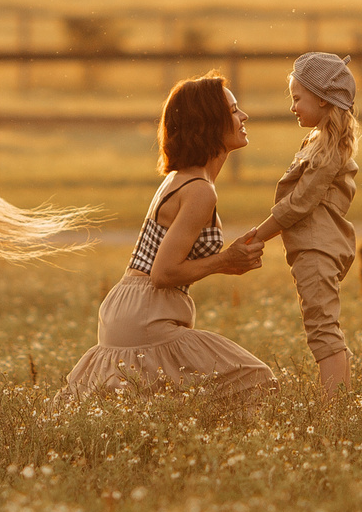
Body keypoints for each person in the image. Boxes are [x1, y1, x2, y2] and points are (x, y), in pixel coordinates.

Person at [61, 73, 276, 408]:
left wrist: (228, 262)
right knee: (254, 380)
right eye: (234, 111)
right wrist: (225, 261)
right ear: (209, 123)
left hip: (129, 308)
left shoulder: (182, 179)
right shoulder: (200, 190)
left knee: (162, 409)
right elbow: (163, 273)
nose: (243, 116)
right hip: (147, 314)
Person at [240, 52, 360, 392]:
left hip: (317, 249)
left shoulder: (328, 150)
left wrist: (257, 234)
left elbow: (298, 204)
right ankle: (337, 404)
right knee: (322, 327)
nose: (293, 107)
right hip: (313, 247)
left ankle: (334, 410)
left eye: (297, 98)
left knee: (323, 330)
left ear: (322, 100)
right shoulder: (319, 142)